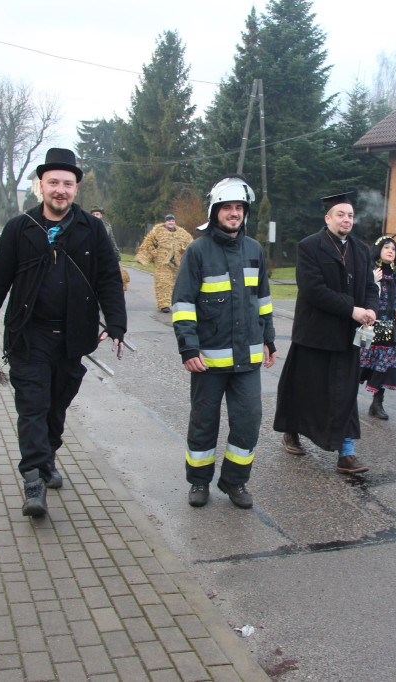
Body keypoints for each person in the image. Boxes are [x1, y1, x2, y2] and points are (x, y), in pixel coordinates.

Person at [0, 148, 127, 517]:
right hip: (28, 336)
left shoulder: (92, 229)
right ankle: (34, 481)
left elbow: (108, 280)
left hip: (72, 339)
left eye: (67, 184)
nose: (60, 190)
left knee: (56, 407)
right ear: (41, 185)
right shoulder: (19, 229)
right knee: (33, 407)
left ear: (75, 189)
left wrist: (116, 324)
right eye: (53, 182)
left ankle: (47, 456)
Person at [171, 174, 276, 509]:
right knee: (204, 423)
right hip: (207, 360)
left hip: (247, 359)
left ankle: (235, 482)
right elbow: (183, 303)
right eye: (227, 207)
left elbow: (263, 300)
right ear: (215, 210)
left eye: (239, 208)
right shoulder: (197, 251)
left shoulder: (254, 249)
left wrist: (269, 339)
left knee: (248, 421)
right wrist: (188, 347)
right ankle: (199, 482)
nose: (234, 213)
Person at [273, 191, 378, 474]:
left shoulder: (362, 250)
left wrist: (370, 308)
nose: (346, 220)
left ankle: (346, 452)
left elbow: (370, 286)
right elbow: (313, 290)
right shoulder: (309, 247)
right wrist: (352, 310)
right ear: (328, 218)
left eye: (351, 216)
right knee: (303, 389)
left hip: (347, 338)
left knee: (345, 394)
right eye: (341, 215)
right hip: (314, 334)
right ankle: (291, 431)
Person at [359, 236, 396, 420]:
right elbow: (364, 295)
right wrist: (372, 280)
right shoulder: (370, 270)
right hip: (368, 326)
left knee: (383, 368)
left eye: (393, 248)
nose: (391, 251)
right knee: (357, 365)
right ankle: (345, 402)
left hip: (389, 329)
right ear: (379, 250)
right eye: (386, 247)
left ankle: (377, 404)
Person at [135, 213, 192, 313]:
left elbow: (191, 245)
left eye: (172, 221)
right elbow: (148, 244)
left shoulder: (182, 233)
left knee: (178, 284)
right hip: (162, 263)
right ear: (165, 222)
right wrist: (145, 256)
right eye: (169, 221)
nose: (171, 222)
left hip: (177, 263)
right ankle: (164, 304)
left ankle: (177, 302)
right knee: (163, 283)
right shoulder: (157, 232)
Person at [90, 205, 130, 291]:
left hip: (104, 256)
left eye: (97, 214)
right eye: (93, 214)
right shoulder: (87, 226)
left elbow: (112, 242)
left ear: (101, 215)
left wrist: (116, 255)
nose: (95, 216)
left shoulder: (107, 227)